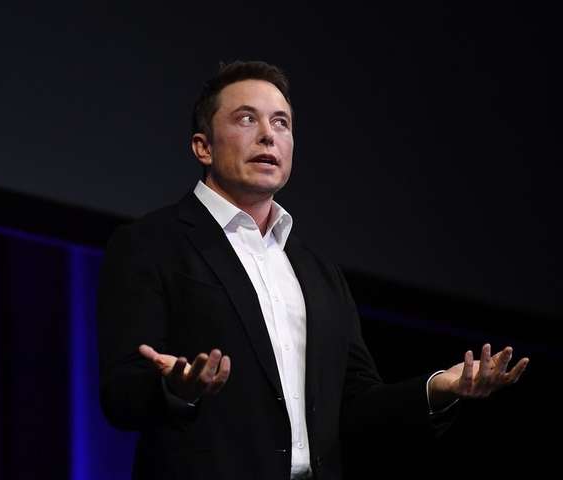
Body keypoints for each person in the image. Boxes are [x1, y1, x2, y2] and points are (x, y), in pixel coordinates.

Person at [96, 61, 529, 480]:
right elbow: (121, 393)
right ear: (203, 147)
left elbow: (357, 403)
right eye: (247, 119)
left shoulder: (317, 271)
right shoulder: (150, 243)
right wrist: (176, 389)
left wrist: (437, 388)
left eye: (281, 123)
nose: (268, 135)